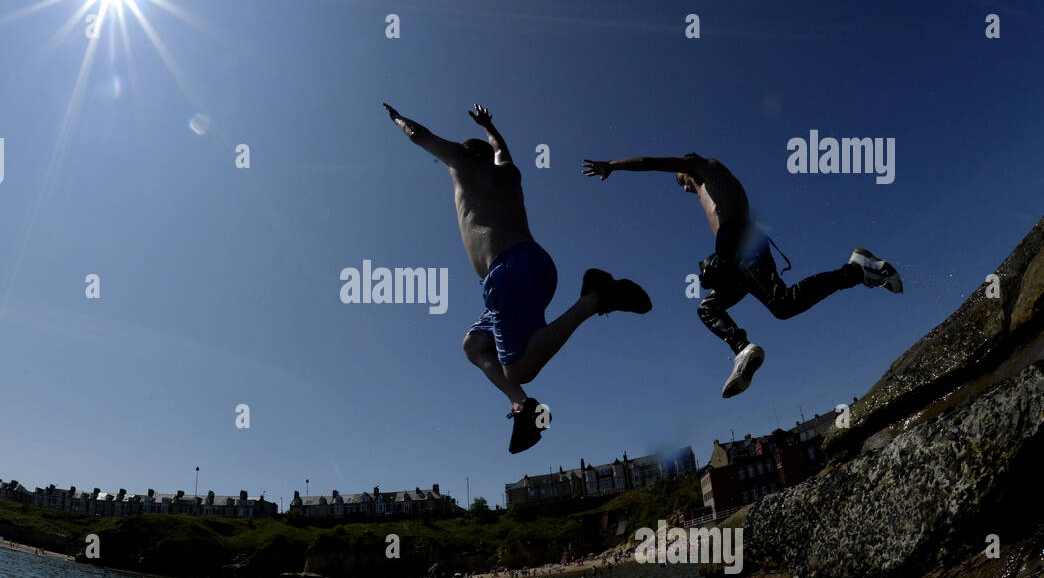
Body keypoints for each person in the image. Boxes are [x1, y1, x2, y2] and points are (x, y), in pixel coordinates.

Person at [385, 102, 651, 452]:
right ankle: (525, 407)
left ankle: (595, 299)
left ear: (466, 154)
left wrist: (397, 119)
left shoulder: (465, 164)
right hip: (535, 266)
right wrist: (489, 126)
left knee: (519, 368)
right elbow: (501, 150)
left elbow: (420, 135)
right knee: (474, 346)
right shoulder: (509, 173)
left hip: (507, 271)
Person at [581, 152, 901, 397]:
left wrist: (613, 164)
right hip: (732, 255)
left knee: (782, 303)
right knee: (708, 307)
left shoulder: (700, 165)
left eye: (681, 181)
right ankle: (743, 350)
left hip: (742, 243)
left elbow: (653, 162)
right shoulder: (712, 188)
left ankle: (857, 269)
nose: (684, 188)